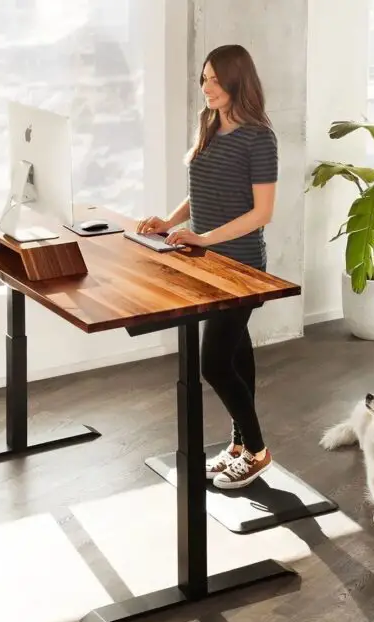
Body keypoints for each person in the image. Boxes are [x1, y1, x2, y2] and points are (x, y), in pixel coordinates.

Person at [137, 44, 278, 489]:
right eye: (204, 78)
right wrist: (169, 221)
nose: (206, 87)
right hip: (206, 261)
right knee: (236, 352)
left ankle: (257, 450)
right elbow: (202, 191)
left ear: (238, 80)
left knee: (214, 362)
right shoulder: (209, 123)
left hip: (241, 266)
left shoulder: (259, 138)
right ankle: (238, 445)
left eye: (215, 80)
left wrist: (203, 238)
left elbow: (262, 213)